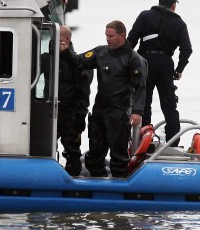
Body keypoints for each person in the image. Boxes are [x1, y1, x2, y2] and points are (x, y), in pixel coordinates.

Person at [61, 20, 146, 178]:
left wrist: (137, 112)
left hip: (119, 112)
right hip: (100, 110)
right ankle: (96, 186)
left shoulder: (133, 58)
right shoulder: (100, 52)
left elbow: (140, 87)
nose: (107, 39)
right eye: (106, 35)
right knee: (94, 154)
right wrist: (65, 52)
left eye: (111, 36)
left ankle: (119, 188)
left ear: (122, 36)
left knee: (118, 156)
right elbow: (79, 62)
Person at [127, 0, 192, 146]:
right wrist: (179, 69)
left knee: (144, 101)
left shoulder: (145, 16)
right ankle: (173, 141)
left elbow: (131, 41)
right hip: (165, 64)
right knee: (169, 103)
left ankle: (144, 139)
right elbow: (187, 49)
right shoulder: (179, 23)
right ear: (173, 5)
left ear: (159, 2)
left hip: (144, 62)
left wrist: (127, 63)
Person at [43, 25, 93, 176]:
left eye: (59, 40)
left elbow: (84, 91)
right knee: (46, 146)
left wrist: (80, 116)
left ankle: (73, 175)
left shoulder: (79, 63)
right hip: (49, 108)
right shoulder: (47, 58)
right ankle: (49, 173)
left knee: (72, 149)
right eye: (53, 39)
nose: (55, 42)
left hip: (70, 111)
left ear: (67, 40)